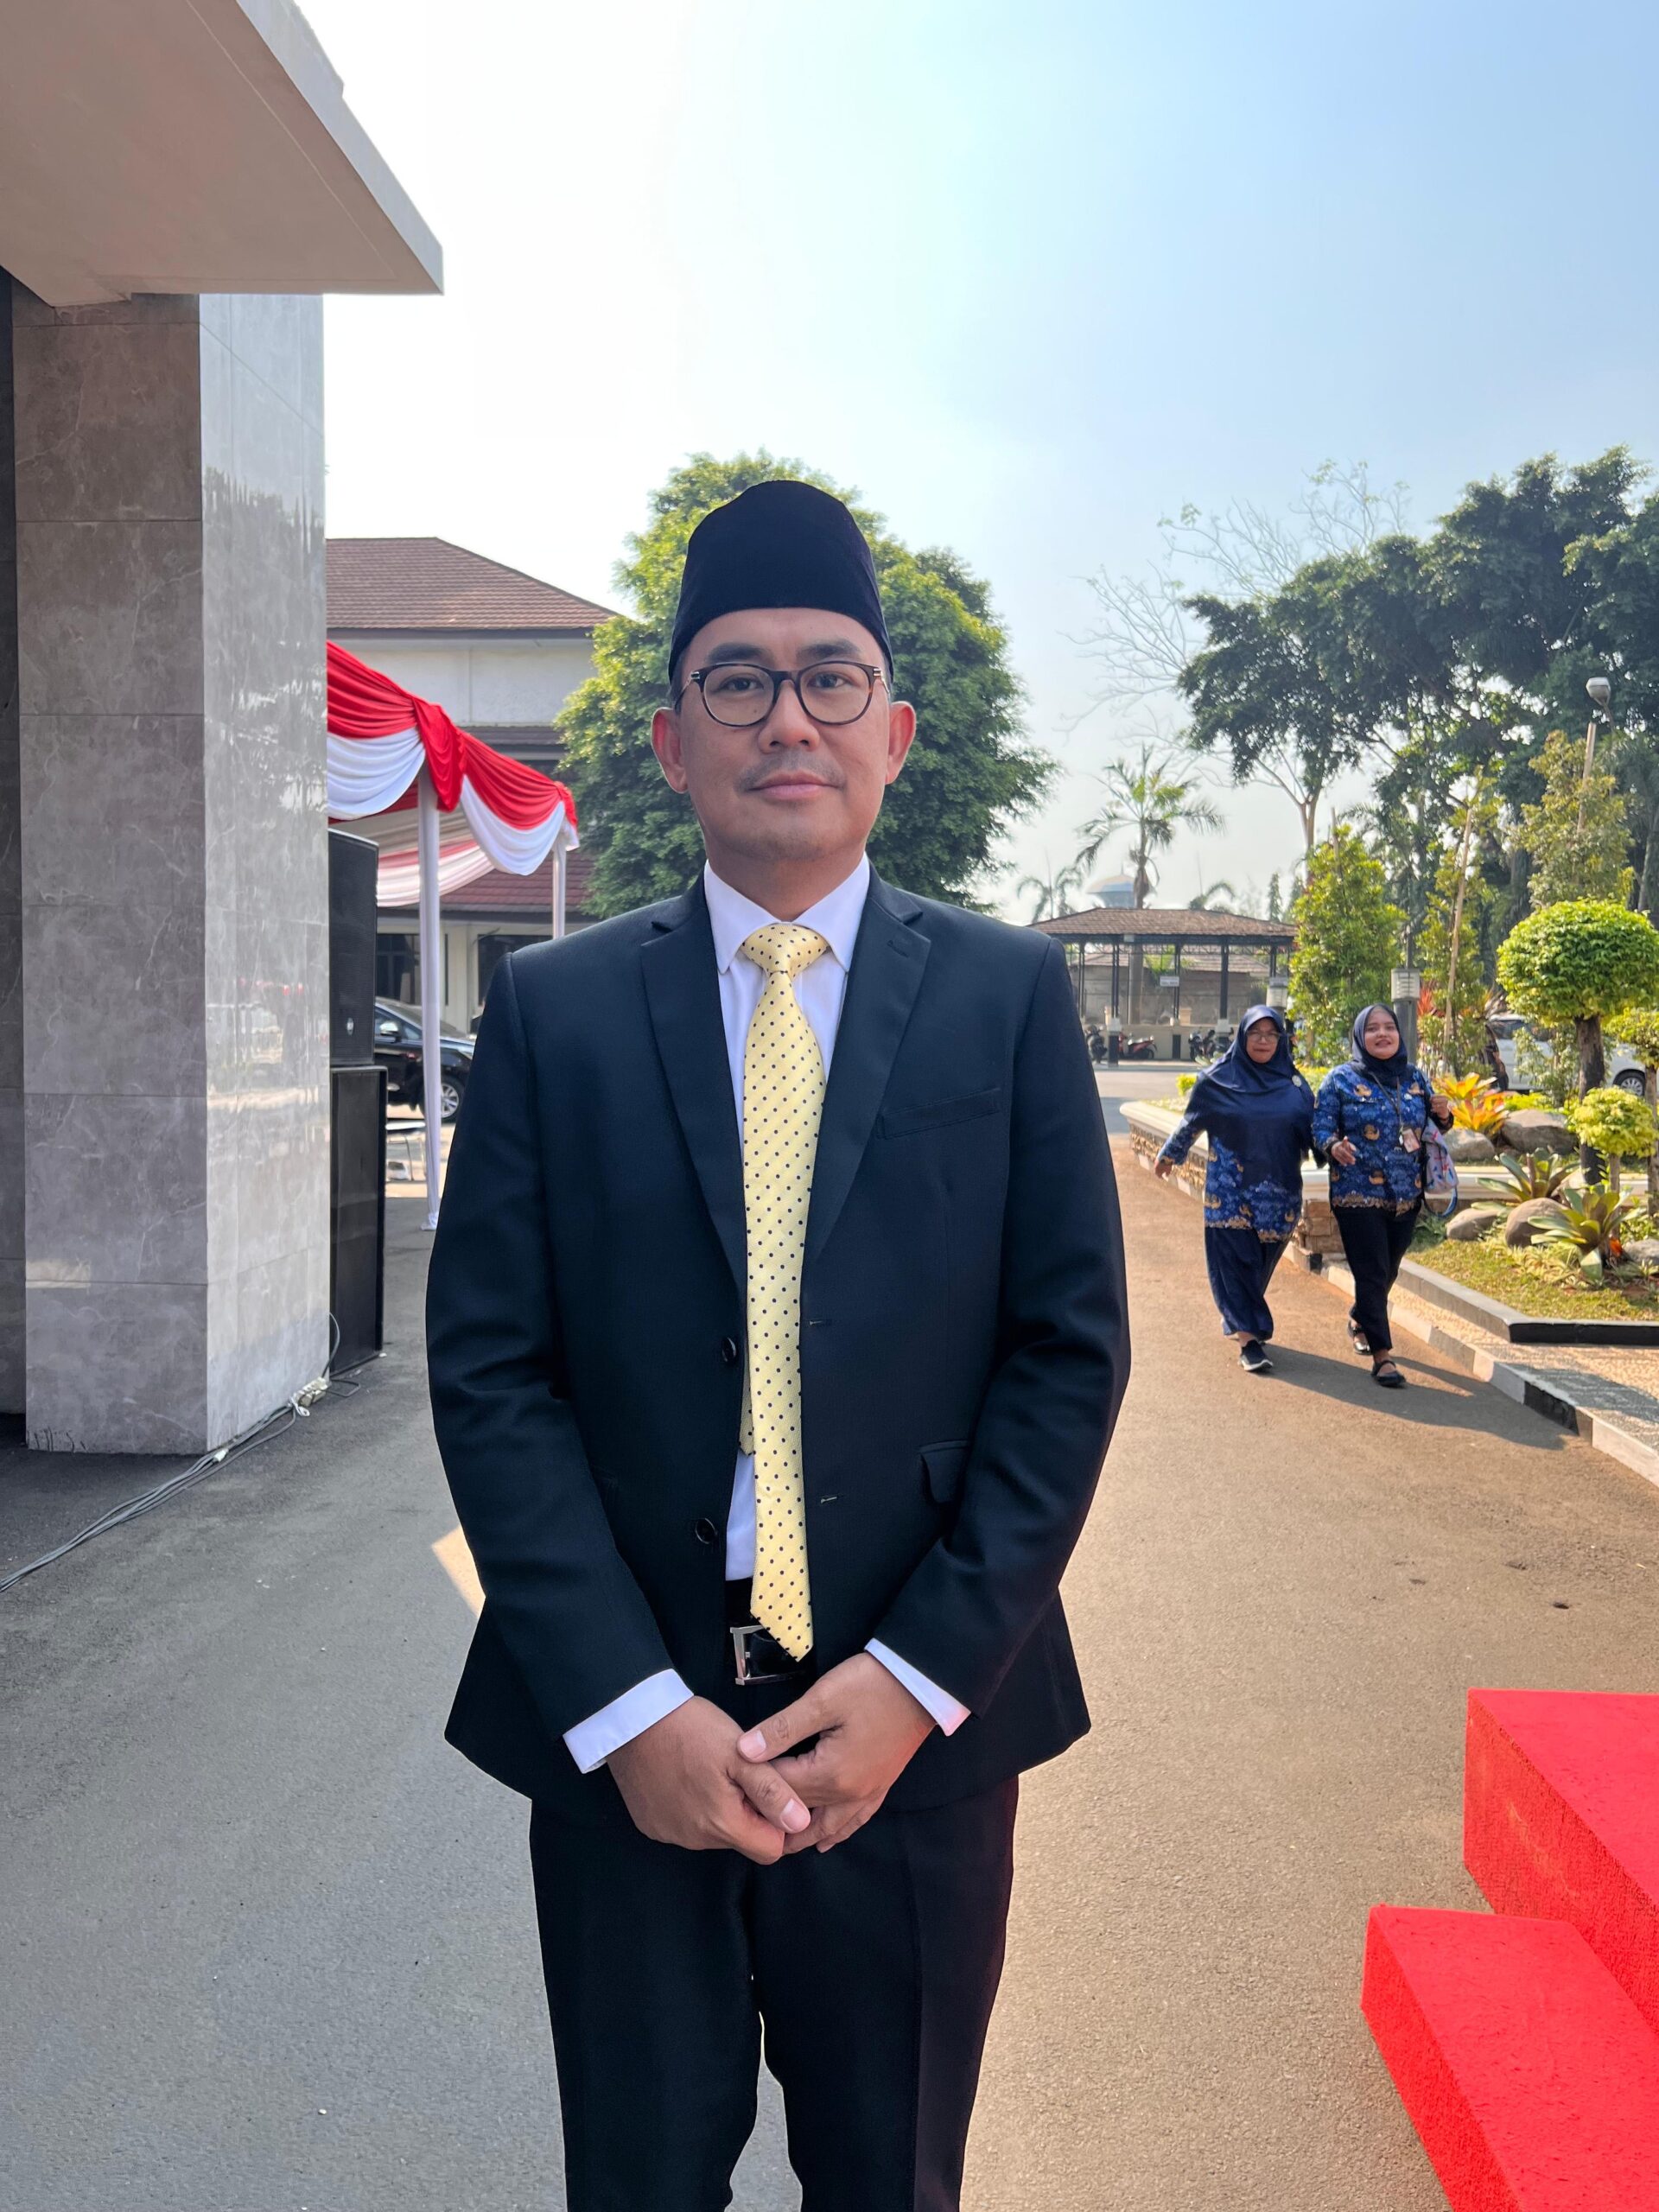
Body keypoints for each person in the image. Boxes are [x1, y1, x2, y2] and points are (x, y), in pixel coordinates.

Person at [425, 480, 1130, 2212]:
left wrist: (915, 1682)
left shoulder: (1006, 997)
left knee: (893, 2180)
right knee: (639, 2180)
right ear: (673, 740)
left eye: (831, 677)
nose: (788, 718)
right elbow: (494, 1371)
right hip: (635, 1725)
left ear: (894, 731)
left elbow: (1067, 1352)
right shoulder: (557, 1010)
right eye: (737, 679)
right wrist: (626, 1706)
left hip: (913, 1732)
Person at [1153, 1006, 1313, 1374]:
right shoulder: (1216, 1080)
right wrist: (1169, 1156)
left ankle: (1241, 1318)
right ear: (1242, 1037)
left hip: (1280, 1193)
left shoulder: (1295, 1084)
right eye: (1256, 1033)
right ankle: (1249, 1340)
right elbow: (1191, 1123)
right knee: (1235, 1263)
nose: (1263, 1041)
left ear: (1281, 1040)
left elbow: (1314, 1131)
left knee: (1258, 1266)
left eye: (1271, 1034)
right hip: (1230, 1192)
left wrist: (1336, 1150)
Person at [1312, 1003, 1452, 1389]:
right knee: (1372, 1271)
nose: (1382, 1034)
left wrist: (1443, 1114)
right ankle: (1382, 1356)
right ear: (1360, 1036)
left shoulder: (1414, 1078)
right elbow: (1320, 1128)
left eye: (1389, 1027)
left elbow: (1431, 1126)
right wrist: (1333, 1146)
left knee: (1388, 1270)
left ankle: (1361, 1317)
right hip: (1356, 1193)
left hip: (1406, 1193)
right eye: (1372, 1028)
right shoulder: (1339, 1080)